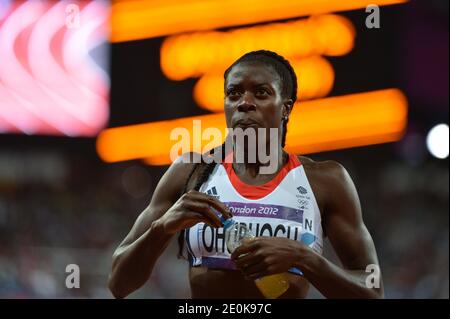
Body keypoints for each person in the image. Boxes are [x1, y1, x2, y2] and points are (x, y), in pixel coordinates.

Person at [108, 50, 384, 299]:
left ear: (286, 108)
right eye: (234, 93)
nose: (244, 103)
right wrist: (162, 228)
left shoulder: (325, 180)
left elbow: (373, 291)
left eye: (261, 93)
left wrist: (304, 258)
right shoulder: (190, 172)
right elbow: (119, 284)